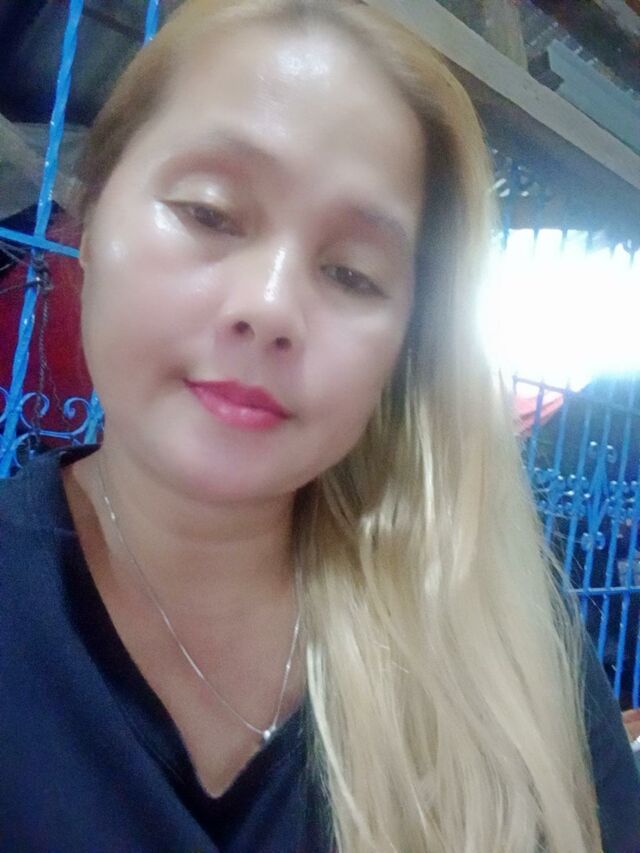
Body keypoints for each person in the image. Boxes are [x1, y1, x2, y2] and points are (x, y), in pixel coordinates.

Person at [1, 1, 639, 850]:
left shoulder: (507, 651)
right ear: (90, 219)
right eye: (209, 212)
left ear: (405, 342)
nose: (270, 307)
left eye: (352, 273)